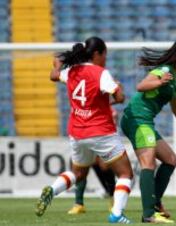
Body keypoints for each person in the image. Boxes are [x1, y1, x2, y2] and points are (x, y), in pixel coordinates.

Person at [35, 37, 134, 224]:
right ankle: (117, 214)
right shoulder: (101, 73)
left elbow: (53, 75)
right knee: (125, 174)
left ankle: (52, 189)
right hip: (100, 131)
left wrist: (57, 64)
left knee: (78, 174)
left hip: (77, 132)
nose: (105, 58)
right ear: (97, 54)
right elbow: (120, 97)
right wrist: (118, 90)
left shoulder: (71, 70)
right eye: (104, 54)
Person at [120, 41, 176, 223]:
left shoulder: (174, 82)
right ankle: (149, 214)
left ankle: (155, 204)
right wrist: (158, 81)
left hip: (145, 122)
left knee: (171, 160)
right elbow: (141, 86)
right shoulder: (164, 72)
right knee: (148, 163)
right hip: (136, 119)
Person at [67, 107, 119, 215]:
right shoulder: (80, 108)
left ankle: (113, 198)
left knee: (105, 166)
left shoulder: (109, 110)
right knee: (80, 170)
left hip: (101, 139)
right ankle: (79, 204)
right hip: (82, 137)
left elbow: (112, 126)